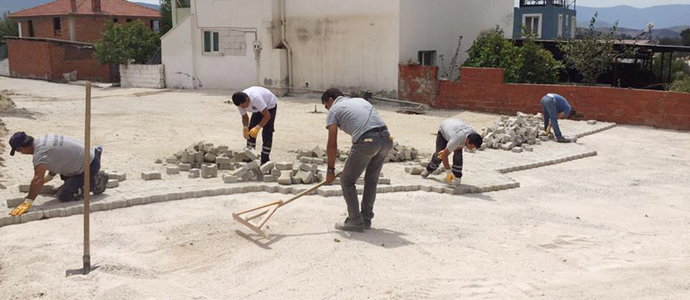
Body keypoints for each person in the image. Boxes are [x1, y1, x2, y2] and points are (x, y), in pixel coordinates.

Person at [322, 88, 393, 232]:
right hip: (386, 139)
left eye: (326, 106)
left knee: (346, 180)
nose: (327, 109)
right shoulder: (360, 101)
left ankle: (355, 220)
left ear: (330, 100)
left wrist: (330, 170)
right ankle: (366, 219)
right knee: (371, 180)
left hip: (367, 141)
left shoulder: (334, 109)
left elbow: (332, 143)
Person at [8, 132, 108, 216]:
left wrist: (28, 201)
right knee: (64, 175)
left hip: (90, 166)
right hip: (91, 153)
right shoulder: (44, 139)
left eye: (18, 151)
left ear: (22, 148)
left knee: (63, 195)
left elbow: (38, 180)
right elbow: (58, 158)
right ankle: (79, 179)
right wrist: (50, 176)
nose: (21, 153)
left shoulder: (40, 153)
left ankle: (96, 181)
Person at [421, 119, 483, 185]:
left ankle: (457, 177)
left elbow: (462, 144)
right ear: (467, 141)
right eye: (472, 146)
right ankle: (429, 169)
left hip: (454, 127)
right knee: (439, 155)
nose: (473, 148)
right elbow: (444, 155)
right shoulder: (457, 139)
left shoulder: (474, 135)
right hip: (444, 130)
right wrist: (448, 172)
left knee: (458, 155)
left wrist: (458, 147)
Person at [232, 86, 278, 165]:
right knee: (251, 130)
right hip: (257, 109)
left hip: (269, 105)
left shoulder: (256, 98)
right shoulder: (239, 103)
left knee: (267, 131)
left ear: (247, 100)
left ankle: (265, 159)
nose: (242, 108)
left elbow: (267, 115)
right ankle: (250, 156)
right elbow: (245, 117)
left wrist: (258, 127)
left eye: (244, 105)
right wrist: (245, 127)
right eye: (241, 106)